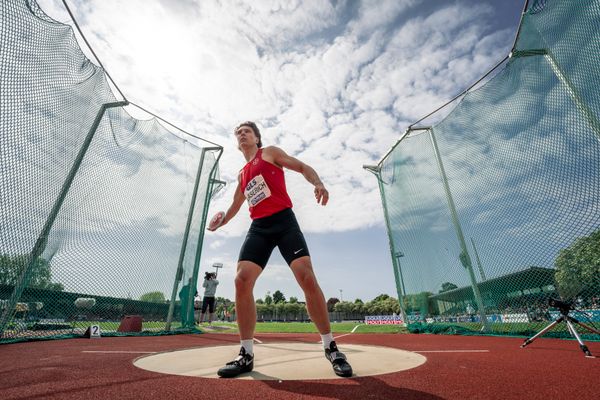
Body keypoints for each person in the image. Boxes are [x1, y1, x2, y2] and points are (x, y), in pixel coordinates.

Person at [208, 121, 353, 378]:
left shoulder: (270, 153)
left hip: (284, 221)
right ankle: (246, 353)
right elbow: (234, 206)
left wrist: (317, 182)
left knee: (306, 276)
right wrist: (221, 222)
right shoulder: (242, 174)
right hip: (260, 227)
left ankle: (331, 346)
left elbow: (301, 167)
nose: (242, 134)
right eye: (238, 132)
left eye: (247, 131)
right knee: (241, 280)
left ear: (256, 138)